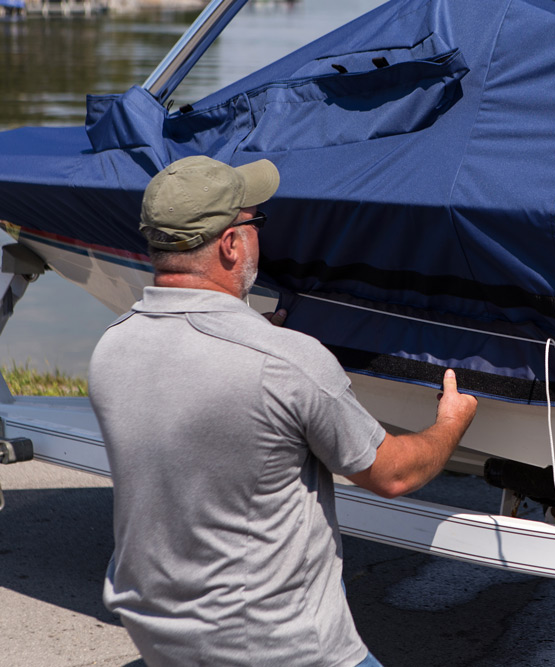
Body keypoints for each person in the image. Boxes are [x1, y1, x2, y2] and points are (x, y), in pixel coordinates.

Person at [89, 155, 477, 667]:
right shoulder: (289, 362)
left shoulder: (112, 347)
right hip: (279, 651)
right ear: (230, 243)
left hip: (160, 638)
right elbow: (395, 474)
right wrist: (451, 422)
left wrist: (257, 344)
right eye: (255, 222)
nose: (258, 237)